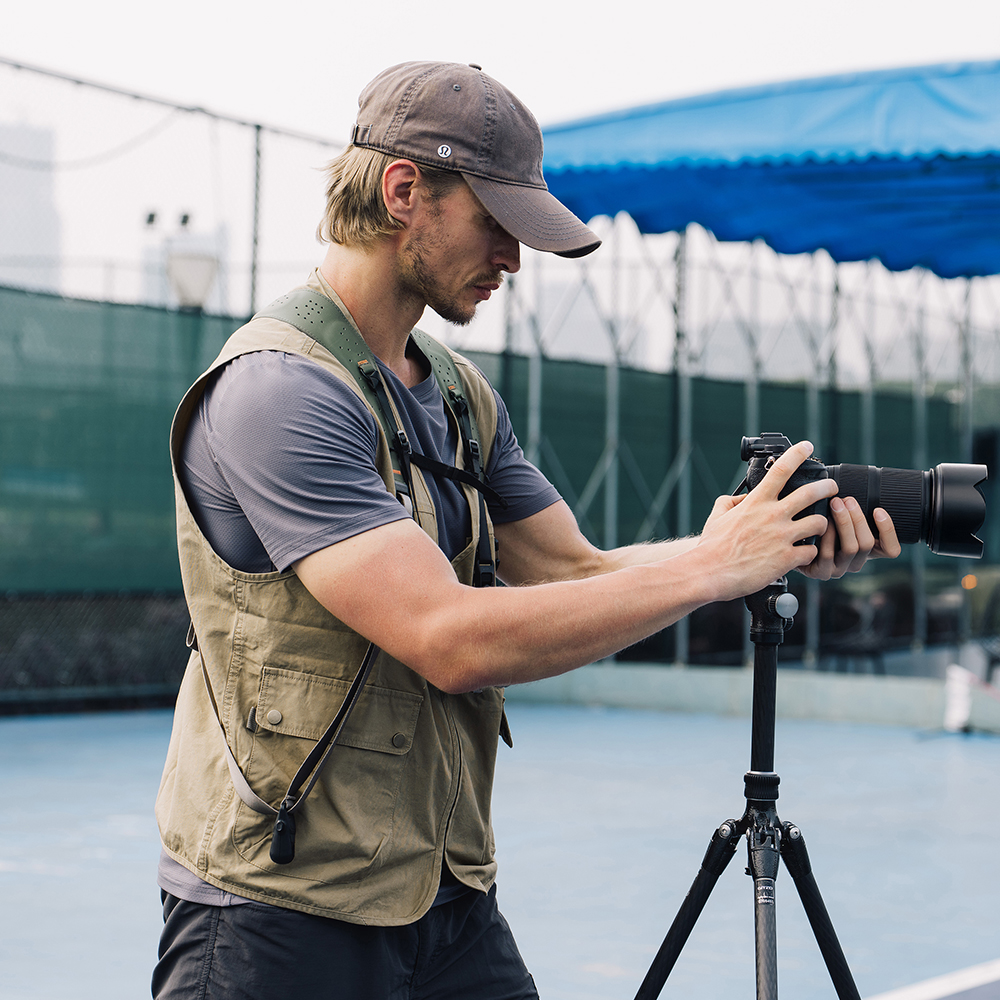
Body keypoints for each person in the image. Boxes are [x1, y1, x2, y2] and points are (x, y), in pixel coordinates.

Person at [152, 61, 900, 999]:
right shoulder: (278, 393)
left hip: (441, 893)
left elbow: (572, 571)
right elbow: (447, 638)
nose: (516, 258)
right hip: (276, 912)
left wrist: (758, 545)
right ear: (402, 192)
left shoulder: (460, 395)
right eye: (497, 224)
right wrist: (713, 565)